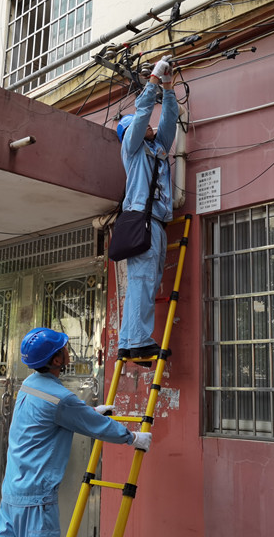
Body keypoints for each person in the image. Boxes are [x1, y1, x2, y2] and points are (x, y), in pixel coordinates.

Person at [0, 327, 152, 537]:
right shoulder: (59, 398)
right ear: (57, 360)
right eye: (63, 348)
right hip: (36, 503)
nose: (68, 350)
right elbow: (97, 425)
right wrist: (133, 438)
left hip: (11, 494)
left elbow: (49, 416)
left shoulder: (28, 384)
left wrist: (90, 411)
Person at [115, 56, 178, 365]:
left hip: (157, 222)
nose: (151, 127)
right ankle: (139, 340)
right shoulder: (132, 147)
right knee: (142, 280)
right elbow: (141, 115)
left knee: (146, 281)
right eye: (142, 128)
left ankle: (129, 342)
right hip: (143, 219)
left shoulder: (158, 149)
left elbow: (169, 120)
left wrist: (168, 87)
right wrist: (152, 80)